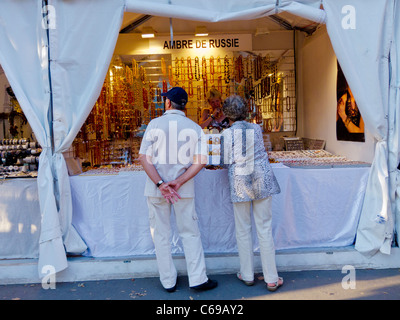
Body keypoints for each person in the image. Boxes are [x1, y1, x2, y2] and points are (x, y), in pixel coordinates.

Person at [138, 87, 218, 292]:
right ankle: (198, 278)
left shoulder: (154, 125)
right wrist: (179, 181)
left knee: (161, 235)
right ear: (184, 105)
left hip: (157, 190)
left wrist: (160, 184)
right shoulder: (194, 128)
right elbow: (201, 161)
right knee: (190, 232)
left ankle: (168, 281)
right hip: (183, 189)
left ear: (167, 103)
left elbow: (143, 158)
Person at [220, 95, 283, 292]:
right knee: (264, 228)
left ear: (227, 114)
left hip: (240, 180)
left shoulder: (226, 134)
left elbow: (225, 161)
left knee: (243, 229)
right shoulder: (256, 128)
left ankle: (247, 274)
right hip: (261, 178)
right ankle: (271, 278)